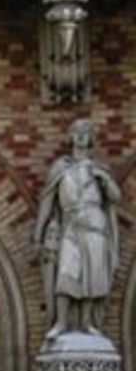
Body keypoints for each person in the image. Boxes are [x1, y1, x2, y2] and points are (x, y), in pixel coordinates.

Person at [37, 118, 122, 339]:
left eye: (86, 132)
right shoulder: (61, 168)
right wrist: (39, 233)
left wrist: (104, 180)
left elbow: (115, 197)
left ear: (91, 138)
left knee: (93, 274)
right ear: (71, 137)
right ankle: (62, 322)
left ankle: (87, 323)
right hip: (70, 225)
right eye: (77, 131)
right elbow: (47, 201)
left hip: (95, 226)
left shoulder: (99, 169)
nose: (82, 135)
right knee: (67, 271)